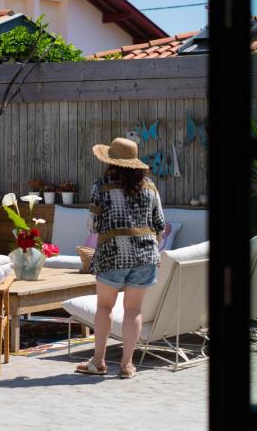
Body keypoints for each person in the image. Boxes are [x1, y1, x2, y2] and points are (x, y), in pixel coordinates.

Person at [75, 137, 165, 379]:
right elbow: (160, 225)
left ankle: (99, 362)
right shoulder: (150, 187)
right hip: (146, 254)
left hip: (113, 254)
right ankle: (127, 365)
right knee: (133, 310)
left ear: (111, 162)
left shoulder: (101, 186)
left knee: (104, 307)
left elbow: (93, 226)